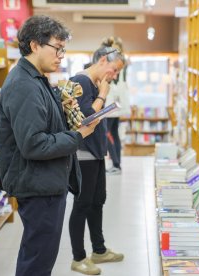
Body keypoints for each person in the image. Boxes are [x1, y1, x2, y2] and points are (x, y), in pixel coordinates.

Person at [0, 15, 98, 276]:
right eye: (57, 48)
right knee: (38, 260)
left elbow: (43, 127)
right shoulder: (24, 85)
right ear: (34, 45)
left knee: (38, 254)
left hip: (45, 182)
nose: (61, 55)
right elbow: (34, 144)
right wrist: (79, 135)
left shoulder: (36, 79)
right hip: (37, 185)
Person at [68, 43, 125, 275]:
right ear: (102, 60)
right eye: (113, 70)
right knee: (82, 204)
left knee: (98, 199)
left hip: (96, 152)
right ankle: (78, 257)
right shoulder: (81, 81)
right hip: (83, 154)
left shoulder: (93, 82)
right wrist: (103, 95)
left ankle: (99, 250)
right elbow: (86, 119)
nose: (114, 76)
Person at [102, 37, 131, 175]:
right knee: (114, 133)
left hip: (111, 103)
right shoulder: (125, 61)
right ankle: (117, 163)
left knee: (107, 133)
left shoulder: (115, 62)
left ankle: (115, 163)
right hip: (119, 104)